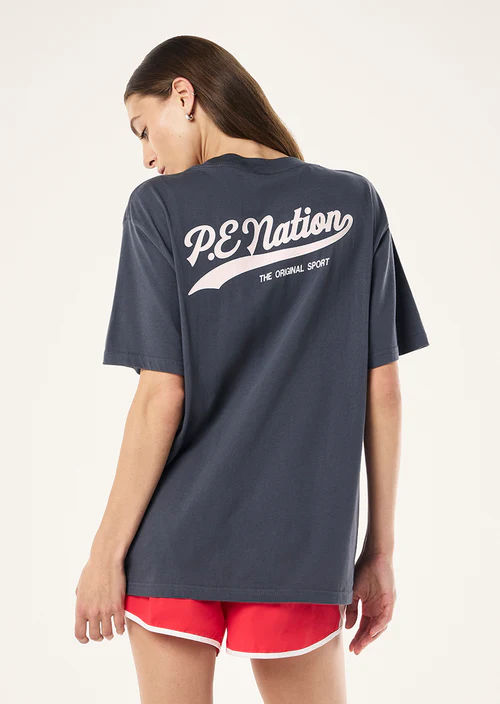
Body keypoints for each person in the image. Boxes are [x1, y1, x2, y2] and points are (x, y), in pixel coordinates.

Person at [74, 34, 430, 704]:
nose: (146, 157)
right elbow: (381, 388)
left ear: (184, 96)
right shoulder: (355, 203)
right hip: (303, 549)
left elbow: (160, 397)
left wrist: (104, 554)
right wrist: (379, 551)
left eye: (143, 129)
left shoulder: (158, 208)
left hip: (174, 546)